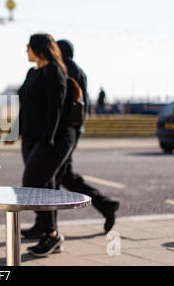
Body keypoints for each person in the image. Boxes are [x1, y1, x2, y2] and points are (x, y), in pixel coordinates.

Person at [45, 40, 119, 234]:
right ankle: (105, 205)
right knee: (64, 176)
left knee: (54, 177)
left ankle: (48, 228)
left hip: (67, 132)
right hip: (75, 129)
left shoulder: (65, 69)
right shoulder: (78, 70)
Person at [15, 34, 76, 257]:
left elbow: (55, 108)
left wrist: (48, 140)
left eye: (28, 47)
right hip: (31, 138)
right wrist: (16, 131)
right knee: (44, 185)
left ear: (38, 49)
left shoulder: (54, 70)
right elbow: (25, 105)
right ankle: (47, 232)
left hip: (53, 139)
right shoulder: (32, 72)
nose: (26, 51)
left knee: (32, 183)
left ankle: (51, 234)